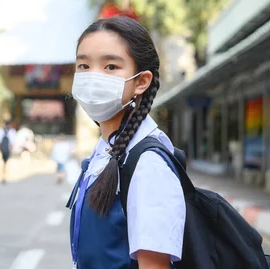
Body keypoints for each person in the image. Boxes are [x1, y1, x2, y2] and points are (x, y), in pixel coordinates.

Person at [68, 17, 185, 269]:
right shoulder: (106, 150)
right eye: (84, 66)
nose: (93, 77)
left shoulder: (148, 165)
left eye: (110, 66)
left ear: (141, 81)